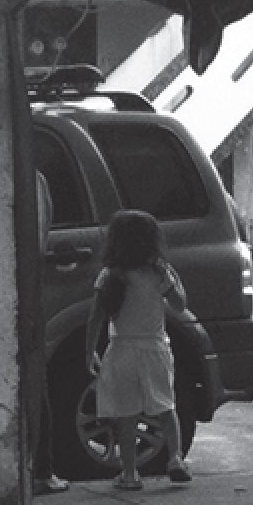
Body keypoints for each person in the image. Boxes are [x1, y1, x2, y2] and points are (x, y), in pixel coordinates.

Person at [86, 208, 193, 490]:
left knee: (127, 414)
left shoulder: (111, 275)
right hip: (155, 347)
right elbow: (181, 305)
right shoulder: (158, 273)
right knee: (166, 405)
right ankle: (175, 458)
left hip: (121, 348)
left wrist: (89, 352)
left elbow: (96, 316)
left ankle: (131, 473)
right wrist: (171, 278)